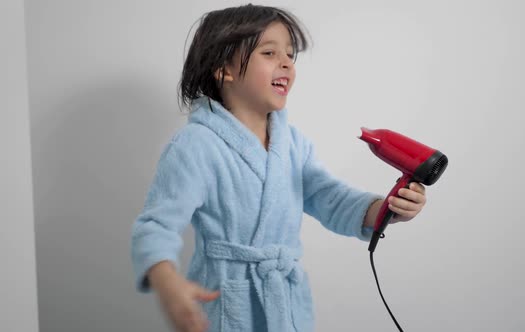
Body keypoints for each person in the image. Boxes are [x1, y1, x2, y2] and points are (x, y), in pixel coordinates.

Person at [130, 4, 427, 332]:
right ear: (223, 69)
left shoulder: (293, 143)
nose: (286, 62)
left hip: (284, 301)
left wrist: (386, 209)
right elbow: (157, 225)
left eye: (290, 54)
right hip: (226, 301)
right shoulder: (196, 145)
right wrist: (168, 282)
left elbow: (330, 197)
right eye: (269, 52)